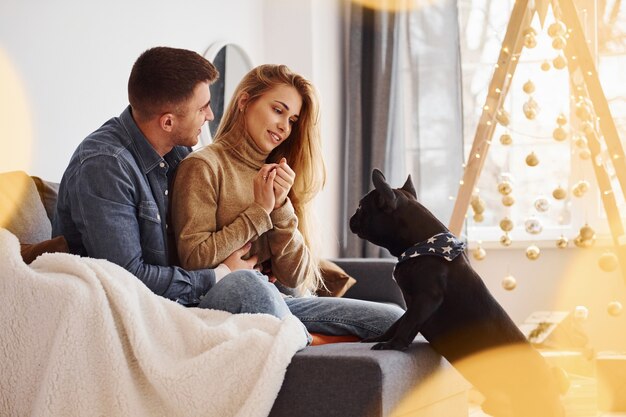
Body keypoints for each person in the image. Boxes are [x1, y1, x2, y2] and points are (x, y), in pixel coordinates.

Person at [171, 64, 404, 339]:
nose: (284, 126)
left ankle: (299, 337)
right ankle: (307, 339)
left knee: (394, 319)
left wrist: (281, 208)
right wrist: (259, 212)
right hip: (220, 300)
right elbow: (194, 259)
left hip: (279, 302)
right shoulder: (203, 166)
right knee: (247, 283)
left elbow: (295, 278)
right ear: (245, 101)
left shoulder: (276, 173)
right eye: (278, 110)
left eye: (292, 120)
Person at [53, 46, 262, 307]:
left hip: (184, 295)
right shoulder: (104, 167)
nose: (210, 115)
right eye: (203, 108)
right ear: (167, 122)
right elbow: (129, 280)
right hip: (133, 309)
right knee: (254, 294)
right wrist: (221, 275)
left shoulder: (178, 150)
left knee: (271, 288)